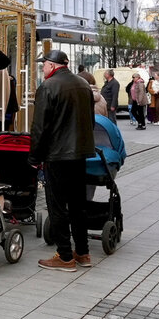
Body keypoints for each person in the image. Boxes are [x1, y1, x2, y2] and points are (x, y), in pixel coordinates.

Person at [31, 50, 96, 271]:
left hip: (57, 155)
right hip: (79, 154)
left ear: (52, 65)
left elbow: (40, 127)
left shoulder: (48, 87)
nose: (42, 68)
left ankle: (65, 256)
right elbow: (91, 120)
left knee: (57, 205)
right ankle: (83, 252)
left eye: (44, 65)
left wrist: (34, 156)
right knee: (78, 205)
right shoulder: (83, 85)